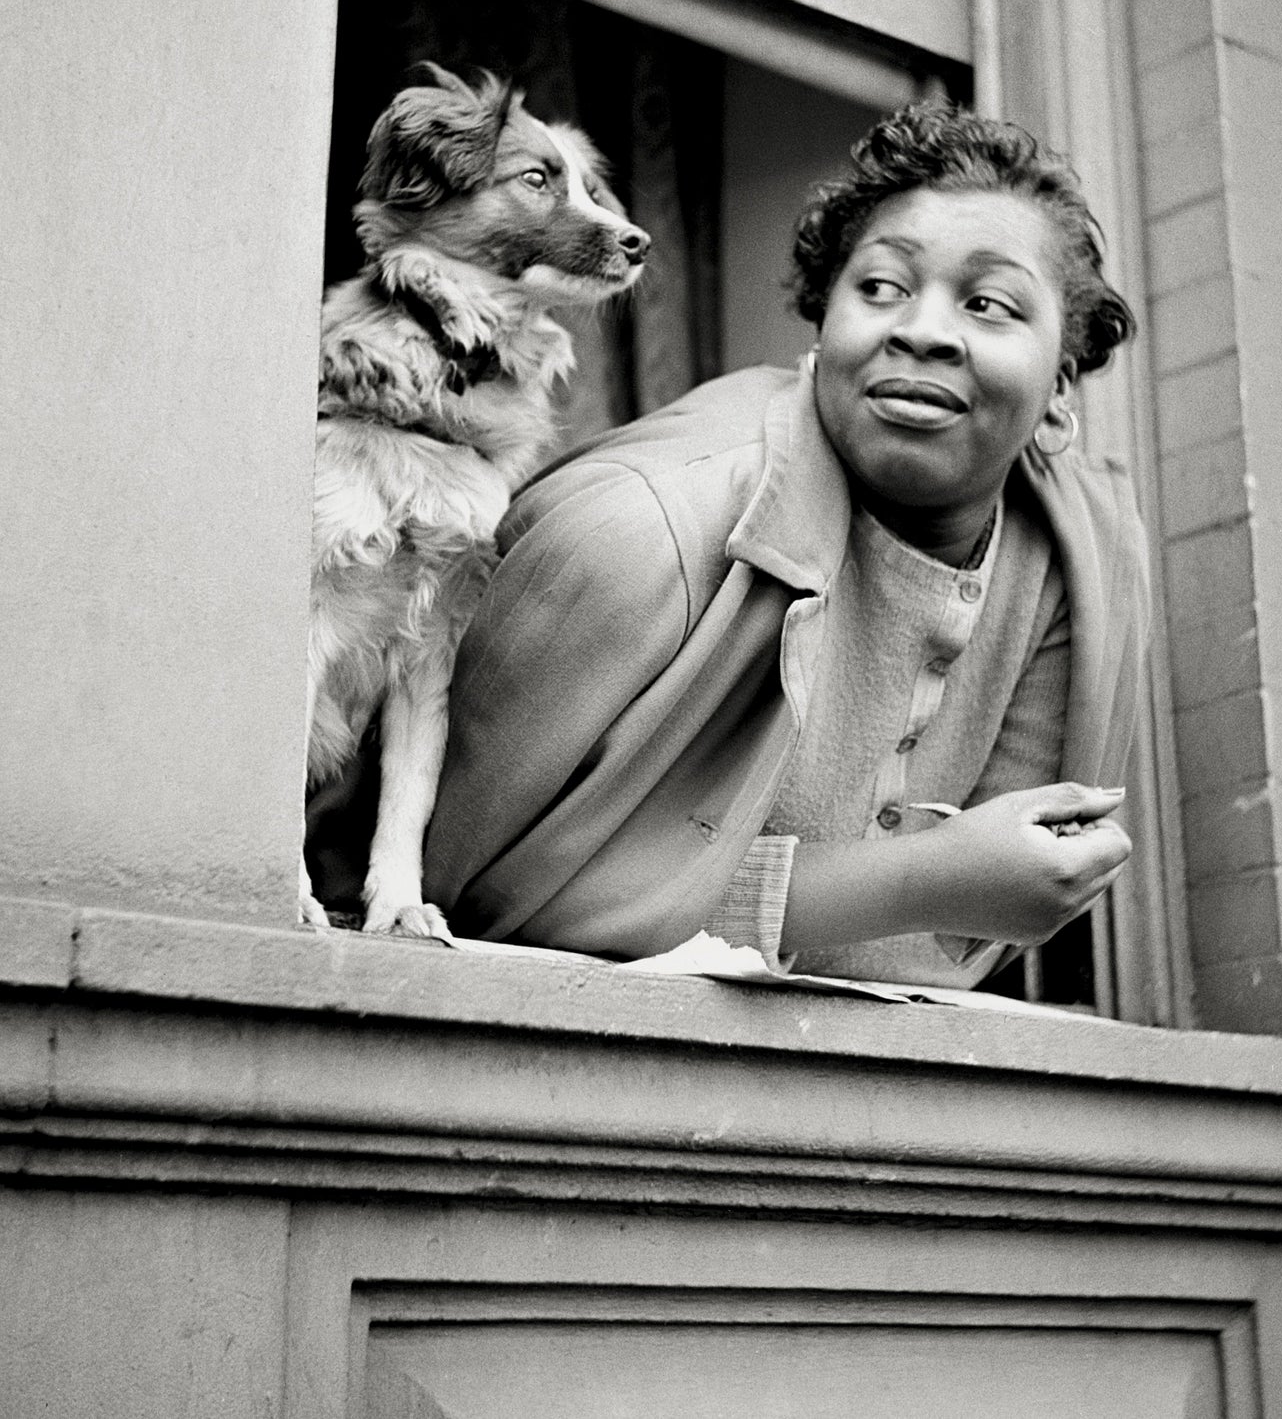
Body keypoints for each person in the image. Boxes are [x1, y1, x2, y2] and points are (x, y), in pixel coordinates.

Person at [423, 102, 1150, 988]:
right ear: (821, 325)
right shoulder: (636, 535)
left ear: (1063, 378)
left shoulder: (1080, 568)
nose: (919, 329)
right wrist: (918, 881)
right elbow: (470, 894)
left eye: (989, 304)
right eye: (879, 287)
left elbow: (952, 944)